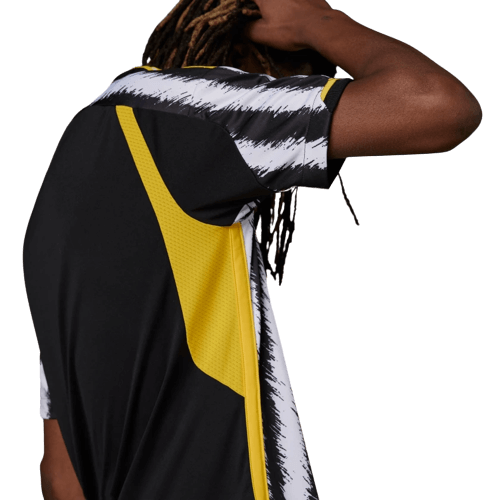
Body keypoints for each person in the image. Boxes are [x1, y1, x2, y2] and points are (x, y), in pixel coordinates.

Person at [28, 1, 481, 499]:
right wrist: (316, 21)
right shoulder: (183, 111)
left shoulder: (72, 175)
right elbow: (437, 105)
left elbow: (60, 476)